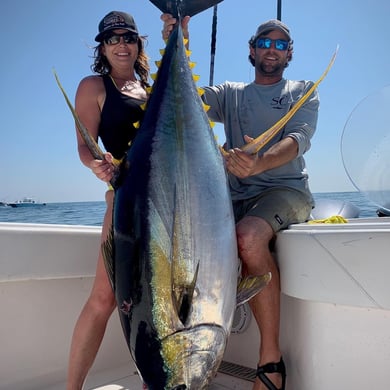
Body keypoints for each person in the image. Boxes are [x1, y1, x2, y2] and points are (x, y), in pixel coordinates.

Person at [161, 14, 319, 390]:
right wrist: (176, 43)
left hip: (286, 191)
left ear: (289, 54)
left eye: (281, 44)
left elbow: (298, 140)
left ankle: (270, 357)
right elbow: (185, 102)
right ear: (252, 49)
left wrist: (260, 162)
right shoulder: (230, 93)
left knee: (246, 237)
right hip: (232, 196)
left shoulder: (302, 90)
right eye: (265, 42)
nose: (272, 49)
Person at [66, 11, 150, 390]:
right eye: (112, 38)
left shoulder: (151, 88)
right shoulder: (94, 86)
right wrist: (97, 165)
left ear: (138, 45)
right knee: (104, 298)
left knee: (158, 295)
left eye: (128, 37)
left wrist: (178, 33)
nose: (121, 43)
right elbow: (86, 144)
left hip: (166, 205)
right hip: (125, 203)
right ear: (102, 46)